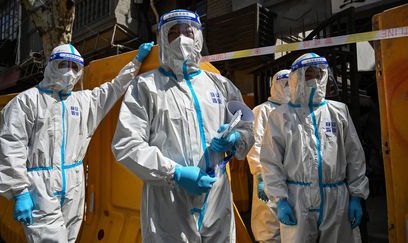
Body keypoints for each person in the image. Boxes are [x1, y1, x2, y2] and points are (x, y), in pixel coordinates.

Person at [111, 9, 254, 243]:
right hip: (168, 198)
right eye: (173, 34)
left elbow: (247, 128)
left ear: (198, 37)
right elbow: (126, 144)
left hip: (216, 194)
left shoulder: (220, 85)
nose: (182, 39)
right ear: (163, 41)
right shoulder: (145, 87)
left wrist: (235, 139)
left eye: (188, 32)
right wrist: (175, 173)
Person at [0, 42, 154, 242]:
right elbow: (11, 145)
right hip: (40, 186)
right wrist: (19, 191)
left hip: (74, 183)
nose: (69, 72)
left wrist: (136, 61)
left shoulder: (83, 102)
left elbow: (113, 88)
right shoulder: (26, 102)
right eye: (64, 65)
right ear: (51, 66)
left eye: (74, 67)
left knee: (69, 239)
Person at [260, 53, 369, 243]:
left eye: (319, 74)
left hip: (336, 199)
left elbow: (355, 155)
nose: (314, 79)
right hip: (296, 199)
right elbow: (271, 161)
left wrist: (356, 196)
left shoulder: (338, 111)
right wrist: (280, 199)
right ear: (296, 78)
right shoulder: (280, 116)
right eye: (308, 74)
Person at [247, 69, 290, 243]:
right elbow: (254, 143)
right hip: (268, 175)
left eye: (291, 83)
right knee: (269, 223)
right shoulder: (262, 111)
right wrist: (259, 173)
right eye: (285, 84)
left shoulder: (296, 110)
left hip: (293, 176)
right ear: (275, 85)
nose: (289, 88)